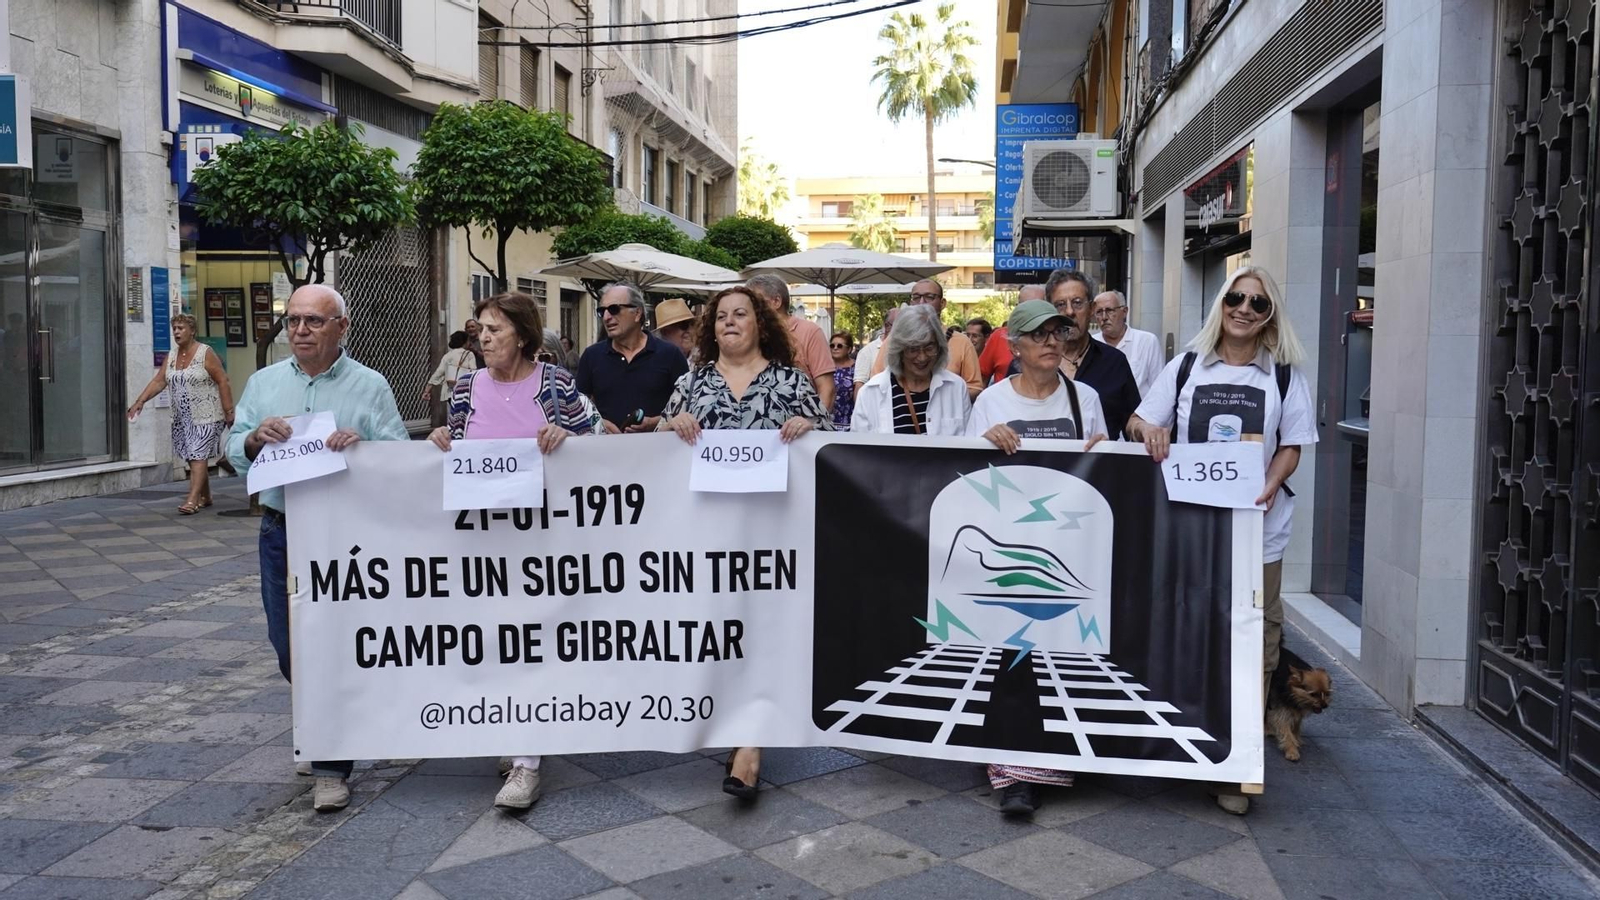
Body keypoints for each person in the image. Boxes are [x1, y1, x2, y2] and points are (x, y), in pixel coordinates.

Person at [1123, 266, 1316, 816]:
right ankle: (1181, 744)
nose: (1244, 309)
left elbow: (1293, 443)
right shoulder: (1186, 366)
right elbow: (1137, 422)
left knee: (1256, 643)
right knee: (1188, 629)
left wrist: (1273, 479)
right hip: (1191, 531)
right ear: (1221, 305)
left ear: (1270, 316)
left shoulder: (1283, 376)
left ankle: (1237, 766)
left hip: (1259, 533)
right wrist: (1149, 430)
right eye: (1236, 298)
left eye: (1258, 303)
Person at [226, 285, 408, 813]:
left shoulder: (370, 385)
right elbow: (234, 449)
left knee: (330, 646)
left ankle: (331, 765)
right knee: (288, 646)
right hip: (282, 530)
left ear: (341, 327)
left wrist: (363, 446)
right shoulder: (264, 383)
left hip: (344, 537)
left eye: (313, 321)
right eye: (293, 321)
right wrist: (254, 439)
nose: (300, 331)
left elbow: (399, 454)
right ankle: (318, 723)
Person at [657, 286, 831, 802]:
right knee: (722, 628)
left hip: (772, 534)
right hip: (706, 535)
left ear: (761, 324)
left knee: (760, 628)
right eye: (721, 317)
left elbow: (828, 443)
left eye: (741, 314)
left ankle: (748, 746)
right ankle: (733, 723)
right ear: (711, 329)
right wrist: (671, 426)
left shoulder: (791, 382)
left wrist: (808, 427)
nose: (730, 322)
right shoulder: (691, 384)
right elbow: (654, 454)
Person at [428, 292, 599, 811]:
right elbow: (456, 445)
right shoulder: (466, 386)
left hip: (545, 545)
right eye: (480, 329)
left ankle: (527, 762)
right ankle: (513, 729)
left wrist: (568, 436)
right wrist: (441, 438)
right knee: (497, 644)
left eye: (495, 329)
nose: (484, 338)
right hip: (484, 546)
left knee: (532, 645)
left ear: (523, 336)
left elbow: (599, 446)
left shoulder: (556, 384)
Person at [967, 298, 1107, 817]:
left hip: (1067, 550)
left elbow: (1105, 467)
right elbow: (964, 474)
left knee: (1062, 656)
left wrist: (1104, 450)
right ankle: (1013, 775)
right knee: (1011, 657)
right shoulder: (991, 402)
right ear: (1016, 346)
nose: (1052, 342)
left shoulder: (1084, 398)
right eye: (1039, 334)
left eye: (1059, 333)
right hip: (1011, 553)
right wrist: (984, 442)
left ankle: (1058, 758)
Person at [1007, 271, 1141, 439]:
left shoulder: (1114, 362)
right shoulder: (1026, 364)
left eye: (1077, 303)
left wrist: (1142, 428)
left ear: (1091, 309)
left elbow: (1132, 418)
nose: (1069, 312)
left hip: (1098, 454)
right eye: (1060, 305)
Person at [128, 314, 235, 514]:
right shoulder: (171, 356)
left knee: (197, 454)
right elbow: (159, 381)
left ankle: (192, 500)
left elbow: (223, 380)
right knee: (192, 456)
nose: (176, 332)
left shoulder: (205, 353)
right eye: (175, 328)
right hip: (182, 418)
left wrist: (229, 411)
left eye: (181, 328)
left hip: (207, 415)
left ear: (192, 331)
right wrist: (140, 401)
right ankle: (206, 495)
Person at [576, 282, 689, 433]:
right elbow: (576, 407)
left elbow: (687, 408)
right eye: (602, 311)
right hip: (606, 446)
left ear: (637, 313)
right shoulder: (591, 356)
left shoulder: (670, 354)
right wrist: (598, 422)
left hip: (657, 445)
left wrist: (654, 423)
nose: (607, 317)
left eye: (614, 309)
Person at [853, 305, 970, 434]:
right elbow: (859, 445)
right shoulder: (870, 393)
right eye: (913, 349)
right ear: (899, 349)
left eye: (929, 348)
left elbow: (968, 441)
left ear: (939, 346)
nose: (922, 357)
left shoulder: (957, 388)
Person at [871, 280, 983, 399]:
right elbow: (877, 381)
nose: (922, 302)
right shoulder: (895, 339)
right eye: (916, 297)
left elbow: (975, 387)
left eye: (929, 297)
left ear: (942, 303)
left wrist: (943, 399)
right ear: (911, 302)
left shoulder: (962, 342)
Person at [745, 274, 835, 411]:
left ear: (776, 302)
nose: (749, 307)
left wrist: (815, 420)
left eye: (755, 301)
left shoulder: (809, 332)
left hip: (801, 420)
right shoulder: (751, 335)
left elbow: (827, 389)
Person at [1094, 290, 1164, 395]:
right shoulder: (1091, 344)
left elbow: (1159, 387)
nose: (1104, 317)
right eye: (1099, 312)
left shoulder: (1147, 341)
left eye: (1109, 310)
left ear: (1124, 311)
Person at [423, 331, 478, 427]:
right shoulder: (469, 354)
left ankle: (453, 429)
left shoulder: (447, 356)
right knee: (464, 415)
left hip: (450, 390)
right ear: (465, 342)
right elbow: (473, 371)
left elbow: (438, 373)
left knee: (454, 413)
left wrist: (427, 390)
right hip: (464, 390)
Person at [853, 307, 899, 402]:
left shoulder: (906, 348)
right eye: (900, 325)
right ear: (887, 326)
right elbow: (859, 387)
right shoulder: (867, 352)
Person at [828, 332, 856, 428]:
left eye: (839, 346)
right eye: (832, 345)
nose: (835, 348)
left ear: (849, 349)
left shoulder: (857, 368)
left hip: (849, 421)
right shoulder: (824, 367)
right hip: (827, 421)